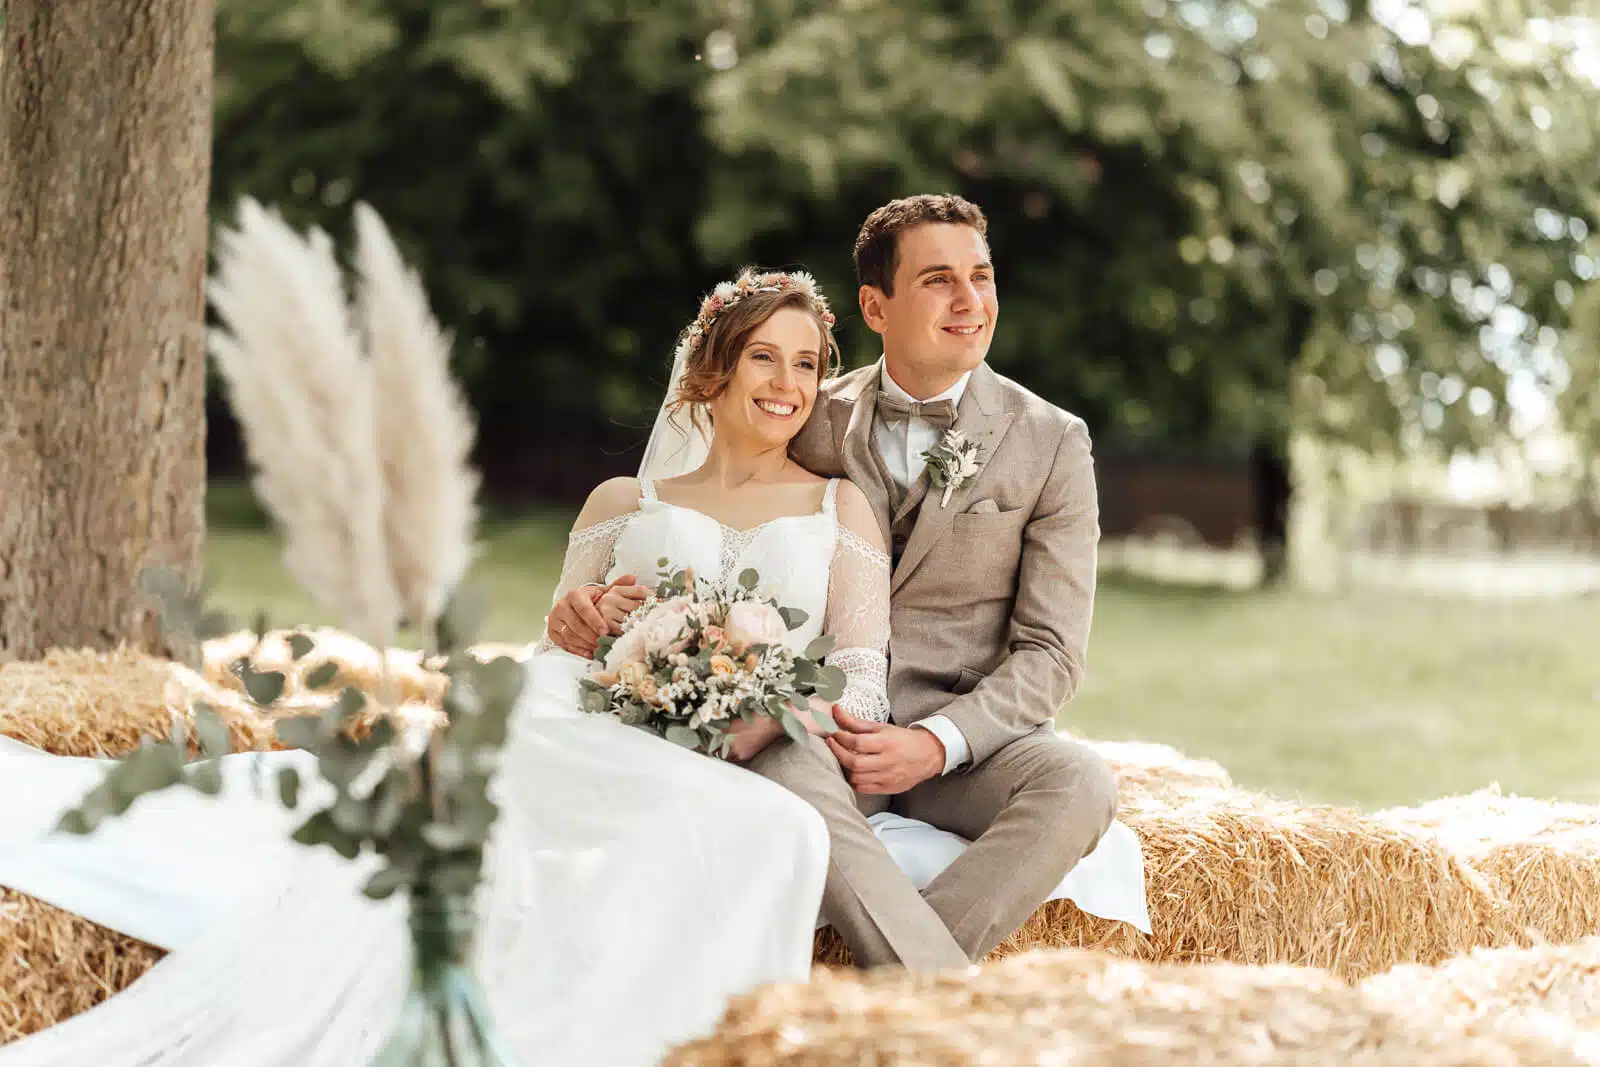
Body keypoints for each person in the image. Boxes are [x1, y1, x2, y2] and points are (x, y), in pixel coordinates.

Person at [0, 269, 872, 1067]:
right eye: (764, 357)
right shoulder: (624, 501)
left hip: (746, 737)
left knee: (781, 832)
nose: (788, 384)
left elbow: (862, 682)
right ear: (710, 370)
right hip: (591, 719)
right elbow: (557, 642)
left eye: (806, 364)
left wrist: (768, 711)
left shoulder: (839, 506)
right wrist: (580, 624)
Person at [550, 194, 1127, 971]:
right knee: (784, 752)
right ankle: (944, 1006)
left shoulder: (1053, 442)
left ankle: (895, 995)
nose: (969, 301)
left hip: (966, 746)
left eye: (981, 277)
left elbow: (1053, 654)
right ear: (874, 305)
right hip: (825, 733)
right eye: (938, 280)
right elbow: (719, 524)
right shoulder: (806, 408)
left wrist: (934, 743)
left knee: (1083, 782)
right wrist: (601, 613)